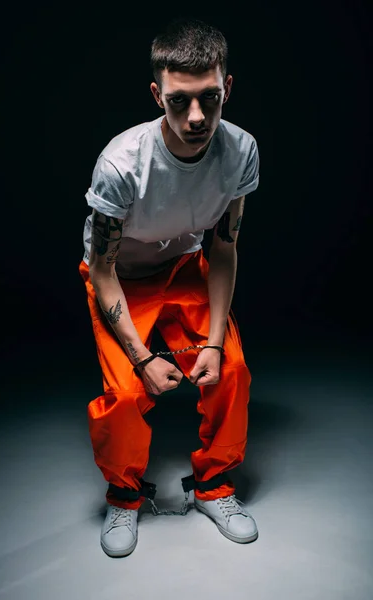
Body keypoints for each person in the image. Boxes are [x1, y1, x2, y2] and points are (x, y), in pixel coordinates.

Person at [79, 17, 260, 558]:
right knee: (129, 394)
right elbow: (103, 268)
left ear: (227, 87)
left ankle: (215, 487)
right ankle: (124, 495)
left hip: (183, 268)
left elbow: (223, 247)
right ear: (158, 94)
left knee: (230, 368)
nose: (197, 116)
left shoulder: (241, 151)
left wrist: (209, 342)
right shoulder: (121, 164)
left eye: (209, 97)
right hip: (120, 279)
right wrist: (141, 358)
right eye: (180, 101)